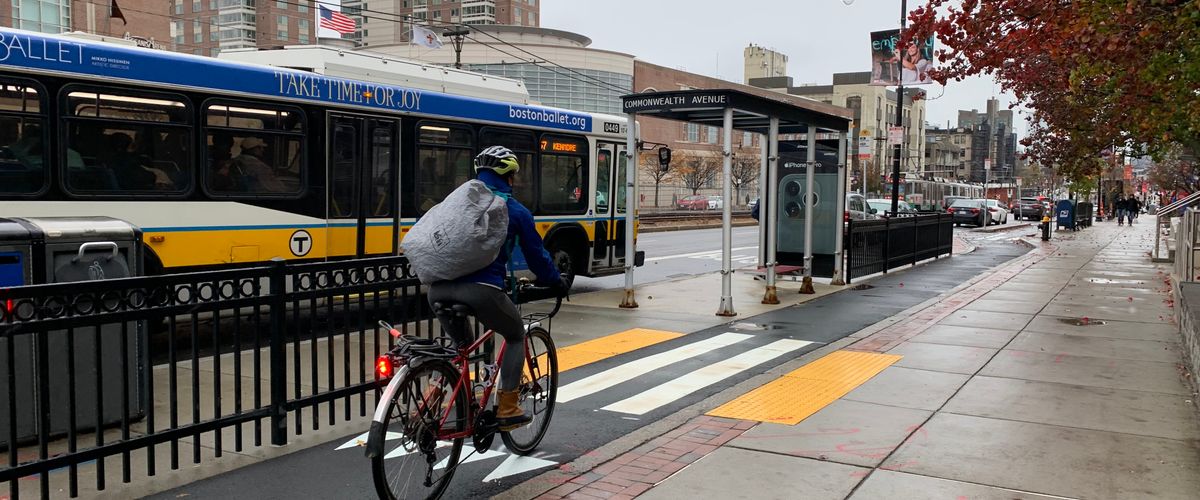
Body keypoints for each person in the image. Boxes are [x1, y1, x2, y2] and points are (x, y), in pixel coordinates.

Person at [426, 145, 568, 431]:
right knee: (515, 334)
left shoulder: (454, 206)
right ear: (510, 177)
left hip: (437, 290)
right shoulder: (514, 211)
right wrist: (556, 281)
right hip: (481, 291)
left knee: (461, 349)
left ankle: (435, 401)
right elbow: (538, 257)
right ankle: (507, 407)